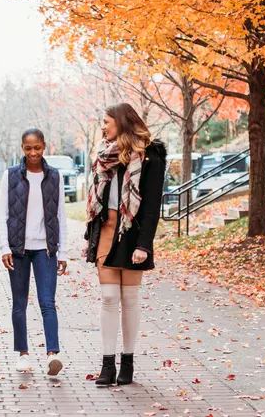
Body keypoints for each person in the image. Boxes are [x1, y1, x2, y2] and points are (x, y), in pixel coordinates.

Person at [84, 103, 166, 387]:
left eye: (106, 121)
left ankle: (127, 362)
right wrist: (89, 237)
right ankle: (107, 363)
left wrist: (144, 244)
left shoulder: (150, 154)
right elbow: (95, 200)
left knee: (129, 300)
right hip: (106, 230)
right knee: (108, 297)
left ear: (121, 122)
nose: (103, 126)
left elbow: (153, 204)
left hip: (133, 233)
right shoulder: (103, 155)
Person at [0, 128, 68, 376]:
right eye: (28, 148)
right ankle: (23, 354)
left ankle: (53, 355)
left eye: (37, 147)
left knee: (47, 302)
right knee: (19, 303)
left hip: (45, 250)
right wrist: (4, 247)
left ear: (44, 146)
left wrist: (63, 252)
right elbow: (3, 215)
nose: (33, 152)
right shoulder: (12, 175)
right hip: (18, 249)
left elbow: (61, 216)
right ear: (22, 148)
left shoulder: (54, 177)